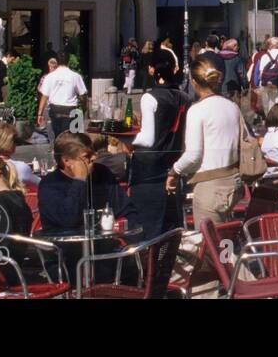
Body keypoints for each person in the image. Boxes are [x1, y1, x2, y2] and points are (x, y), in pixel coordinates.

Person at [166, 55, 243, 229]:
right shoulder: (232, 106)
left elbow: (193, 155)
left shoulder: (197, 110)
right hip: (233, 182)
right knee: (224, 243)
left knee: (209, 246)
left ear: (193, 82)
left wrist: (174, 172)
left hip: (210, 185)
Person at [130, 49, 188, 240]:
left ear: (152, 69)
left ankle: (146, 268)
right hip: (173, 167)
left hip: (149, 170)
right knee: (170, 228)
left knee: (145, 229)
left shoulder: (150, 97)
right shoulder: (184, 98)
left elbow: (147, 139)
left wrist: (126, 140)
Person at [37, 132, 134, 233]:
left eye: (94, 153)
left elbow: (126, 210)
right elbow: (68, 220)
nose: (94, 158)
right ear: (66, 161)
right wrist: (79, 180)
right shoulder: (50, 184)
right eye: (87, 156)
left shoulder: (102, 173)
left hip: (103, 243)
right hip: (66, 245)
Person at [37, 56, 86, 139]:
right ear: (68, 61)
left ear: (57, 61)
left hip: (55, 110)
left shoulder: (49, 76)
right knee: (70, 136)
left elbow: (44, 96)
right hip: (69, 110)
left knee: (57, 136)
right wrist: (84, 107)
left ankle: (58, 147)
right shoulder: (75, 76)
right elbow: (82, 94)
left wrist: (39, 113)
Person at [0, 121, 39, 186]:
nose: (16, 144)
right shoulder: (20, 167)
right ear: (10, 143)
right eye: (15, 140)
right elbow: (41, 183)